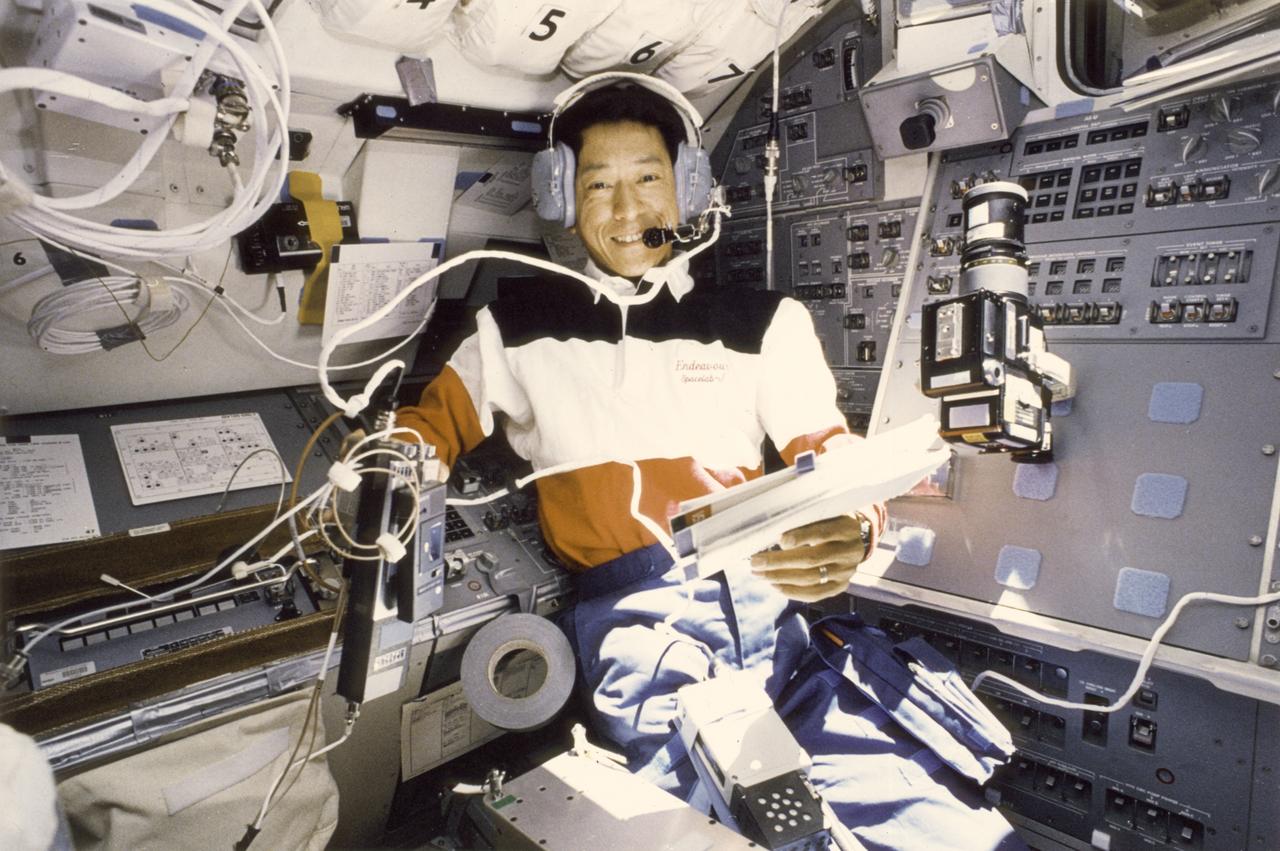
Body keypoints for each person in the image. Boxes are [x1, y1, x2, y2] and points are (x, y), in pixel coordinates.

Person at [396, 75, 1025, 850]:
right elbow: (427, 430)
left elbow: (828, 452)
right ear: (563, 198)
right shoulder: (515, 326)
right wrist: (386, 468)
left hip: (778, 623)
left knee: (946, 826)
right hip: (640, 628)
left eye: (649, 180)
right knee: (757, 828)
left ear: (687, 187)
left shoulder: (765, 323)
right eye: (599, 186)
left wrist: (854, 526)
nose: (627, 212)